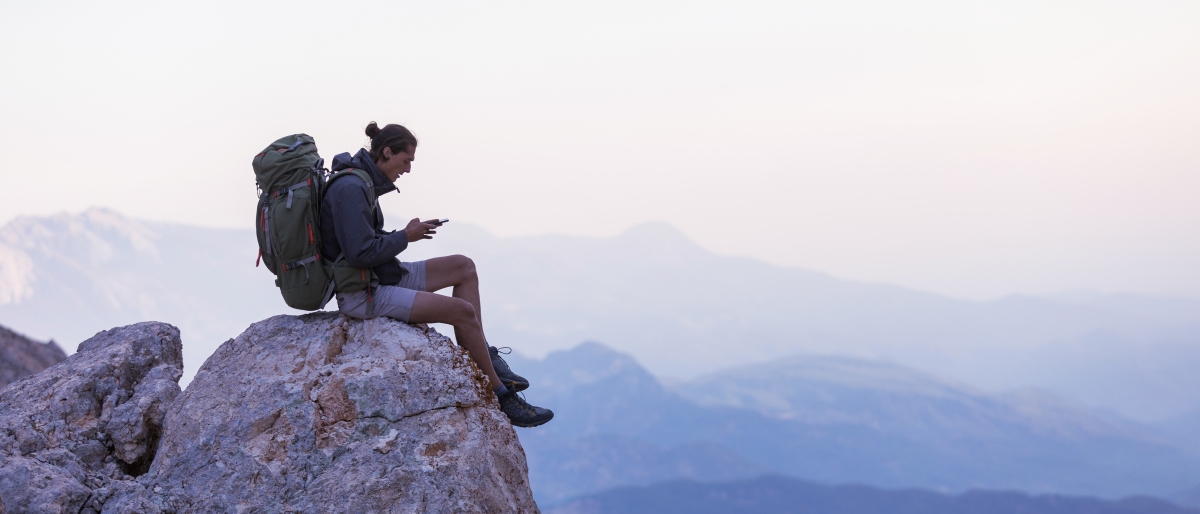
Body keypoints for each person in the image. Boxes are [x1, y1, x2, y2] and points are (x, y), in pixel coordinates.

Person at [320, 121, 553, 428]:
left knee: (463, 266)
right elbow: (359, 253)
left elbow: (361, 243)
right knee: (462, 312)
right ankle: (502, 395)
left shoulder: (361, 181)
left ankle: (485, 353)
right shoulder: (351, 188)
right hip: (363, 293)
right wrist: (406, 235)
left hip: (379, 275)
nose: (408, 169)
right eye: (406, 161)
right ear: (387, 152)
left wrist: (404, 235)